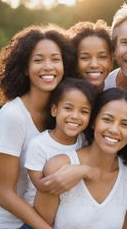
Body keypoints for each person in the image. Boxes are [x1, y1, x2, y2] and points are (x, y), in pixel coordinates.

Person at [0, 24, 74, 229]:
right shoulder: (13, 116)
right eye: (38, 60)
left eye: (55, 59)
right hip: (4, 224)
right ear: (25, 68)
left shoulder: (62, 113)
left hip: (39, 219)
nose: (48, 67)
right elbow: (5, 195)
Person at [32, 88, 127, 229]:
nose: (114, 129)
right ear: (93, 122)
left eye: (125, 124)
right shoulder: (59, 167)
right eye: (107, 120)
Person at [23, 77, 99, 209]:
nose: (75, 116)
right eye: (68, 108)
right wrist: (79, 172)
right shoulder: (39, 145)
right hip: (37, 214)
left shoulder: (84, 140)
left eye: (84, 111)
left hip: (67, 210)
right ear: (54, 110)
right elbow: (40, 185)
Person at [69, 20, 113, 91]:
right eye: (85, 58)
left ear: (111, 60)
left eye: (102, 57)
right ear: (75, 62)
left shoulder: (116, 90)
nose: (94, 65)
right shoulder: (67, 95)